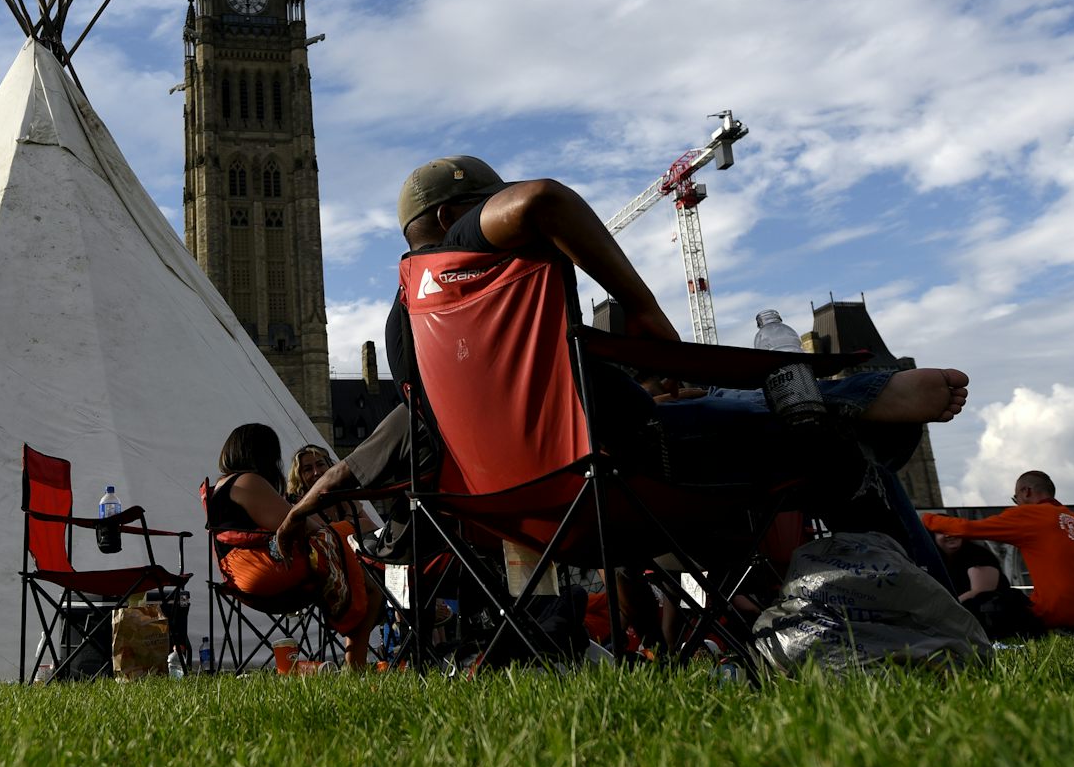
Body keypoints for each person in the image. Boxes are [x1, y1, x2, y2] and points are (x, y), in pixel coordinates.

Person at [381, 156, 970, 542]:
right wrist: (644, 308)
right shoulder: (459, 255)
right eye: (486, 205)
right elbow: (542, 201)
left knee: (724, 405)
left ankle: (842, 396)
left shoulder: (405, 324)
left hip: (525, 507)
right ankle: (936, 613)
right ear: (453, 216)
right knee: (839, 444)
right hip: (623, 468)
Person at [207, 423, 382, 669]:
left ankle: (356, 664)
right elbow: (301, 525)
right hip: (264, 572)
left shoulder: (221, 487)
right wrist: (346, 527)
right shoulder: (247, 481)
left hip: (242, 573)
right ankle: (356, 667)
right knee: (366, 581)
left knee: (355, 567)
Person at [923, 471, 1074, 632]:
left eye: (1015, 498)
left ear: (1026, 492)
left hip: (1049, 617)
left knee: (986, 603)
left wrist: (926, 520)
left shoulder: (1028, 514)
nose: (1016, 503)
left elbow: (967, 529)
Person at [285, 445, 373, 537]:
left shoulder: (343, 497)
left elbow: (373, 529)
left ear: (330, 467)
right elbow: (331, 536)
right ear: (299, 477)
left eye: (320, 465)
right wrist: (350, 514)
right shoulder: (300, 505)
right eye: (308, 469)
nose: (316, 472)